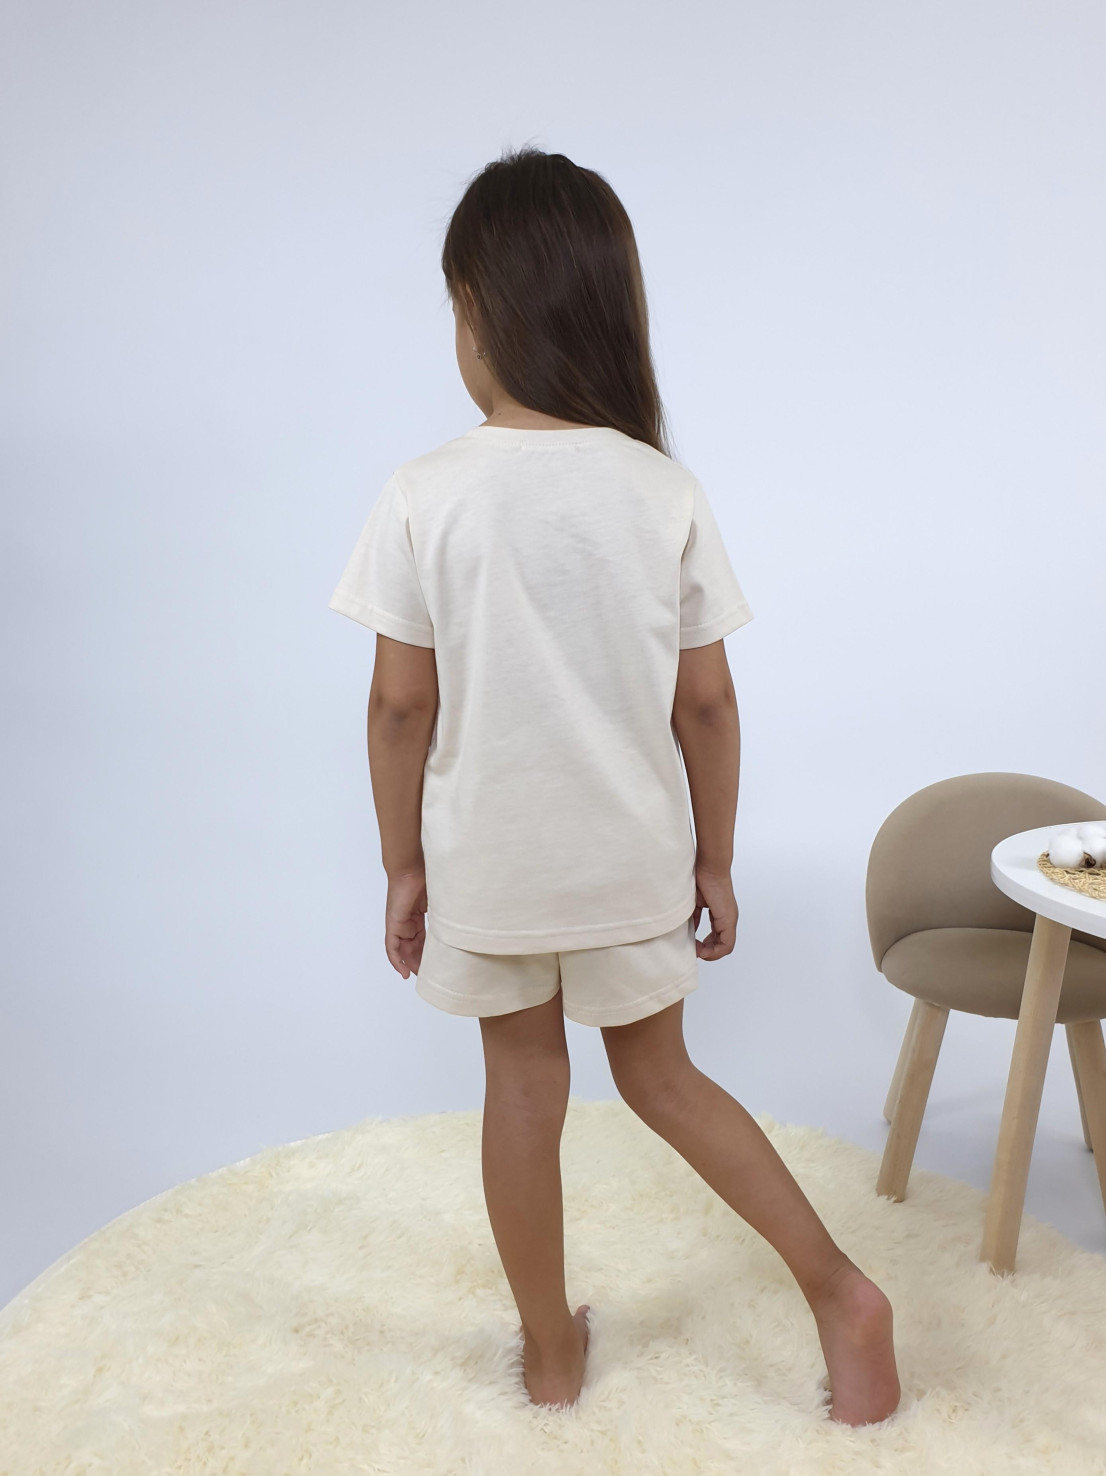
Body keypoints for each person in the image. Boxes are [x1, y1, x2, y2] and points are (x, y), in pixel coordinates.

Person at [328, 145, 901, 1427]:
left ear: (479, 312)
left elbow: (398, 707)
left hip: (490, 864)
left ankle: (548, 1354)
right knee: (662, 1080)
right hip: (629, 856)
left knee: (523, 1091)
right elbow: (706, 705)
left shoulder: (422, 496)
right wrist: (714, 858)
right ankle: (839, 1291)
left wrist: (401, 863)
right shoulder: (659, 491)